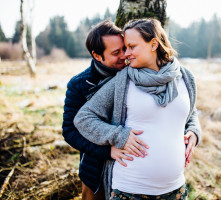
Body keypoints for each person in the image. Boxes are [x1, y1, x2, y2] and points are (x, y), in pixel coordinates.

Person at [74, 18, 201, 200]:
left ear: (154, 44)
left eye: (131, 47)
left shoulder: (185, 77)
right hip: (130, 189)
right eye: (124, 48)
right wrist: (119, 135)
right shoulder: (123, 80)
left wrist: (194, 132)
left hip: (175, 189)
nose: (126, 54)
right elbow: (84, 118)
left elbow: (191, 113)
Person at [62, 20, 136, 200]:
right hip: (95, 172)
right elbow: (70, 131)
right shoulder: (79, 85)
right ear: (97, 55)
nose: (124, 55)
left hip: (132, 170)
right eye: (116, 52)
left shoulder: (136, 73)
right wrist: (107, 151)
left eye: (124, 48)